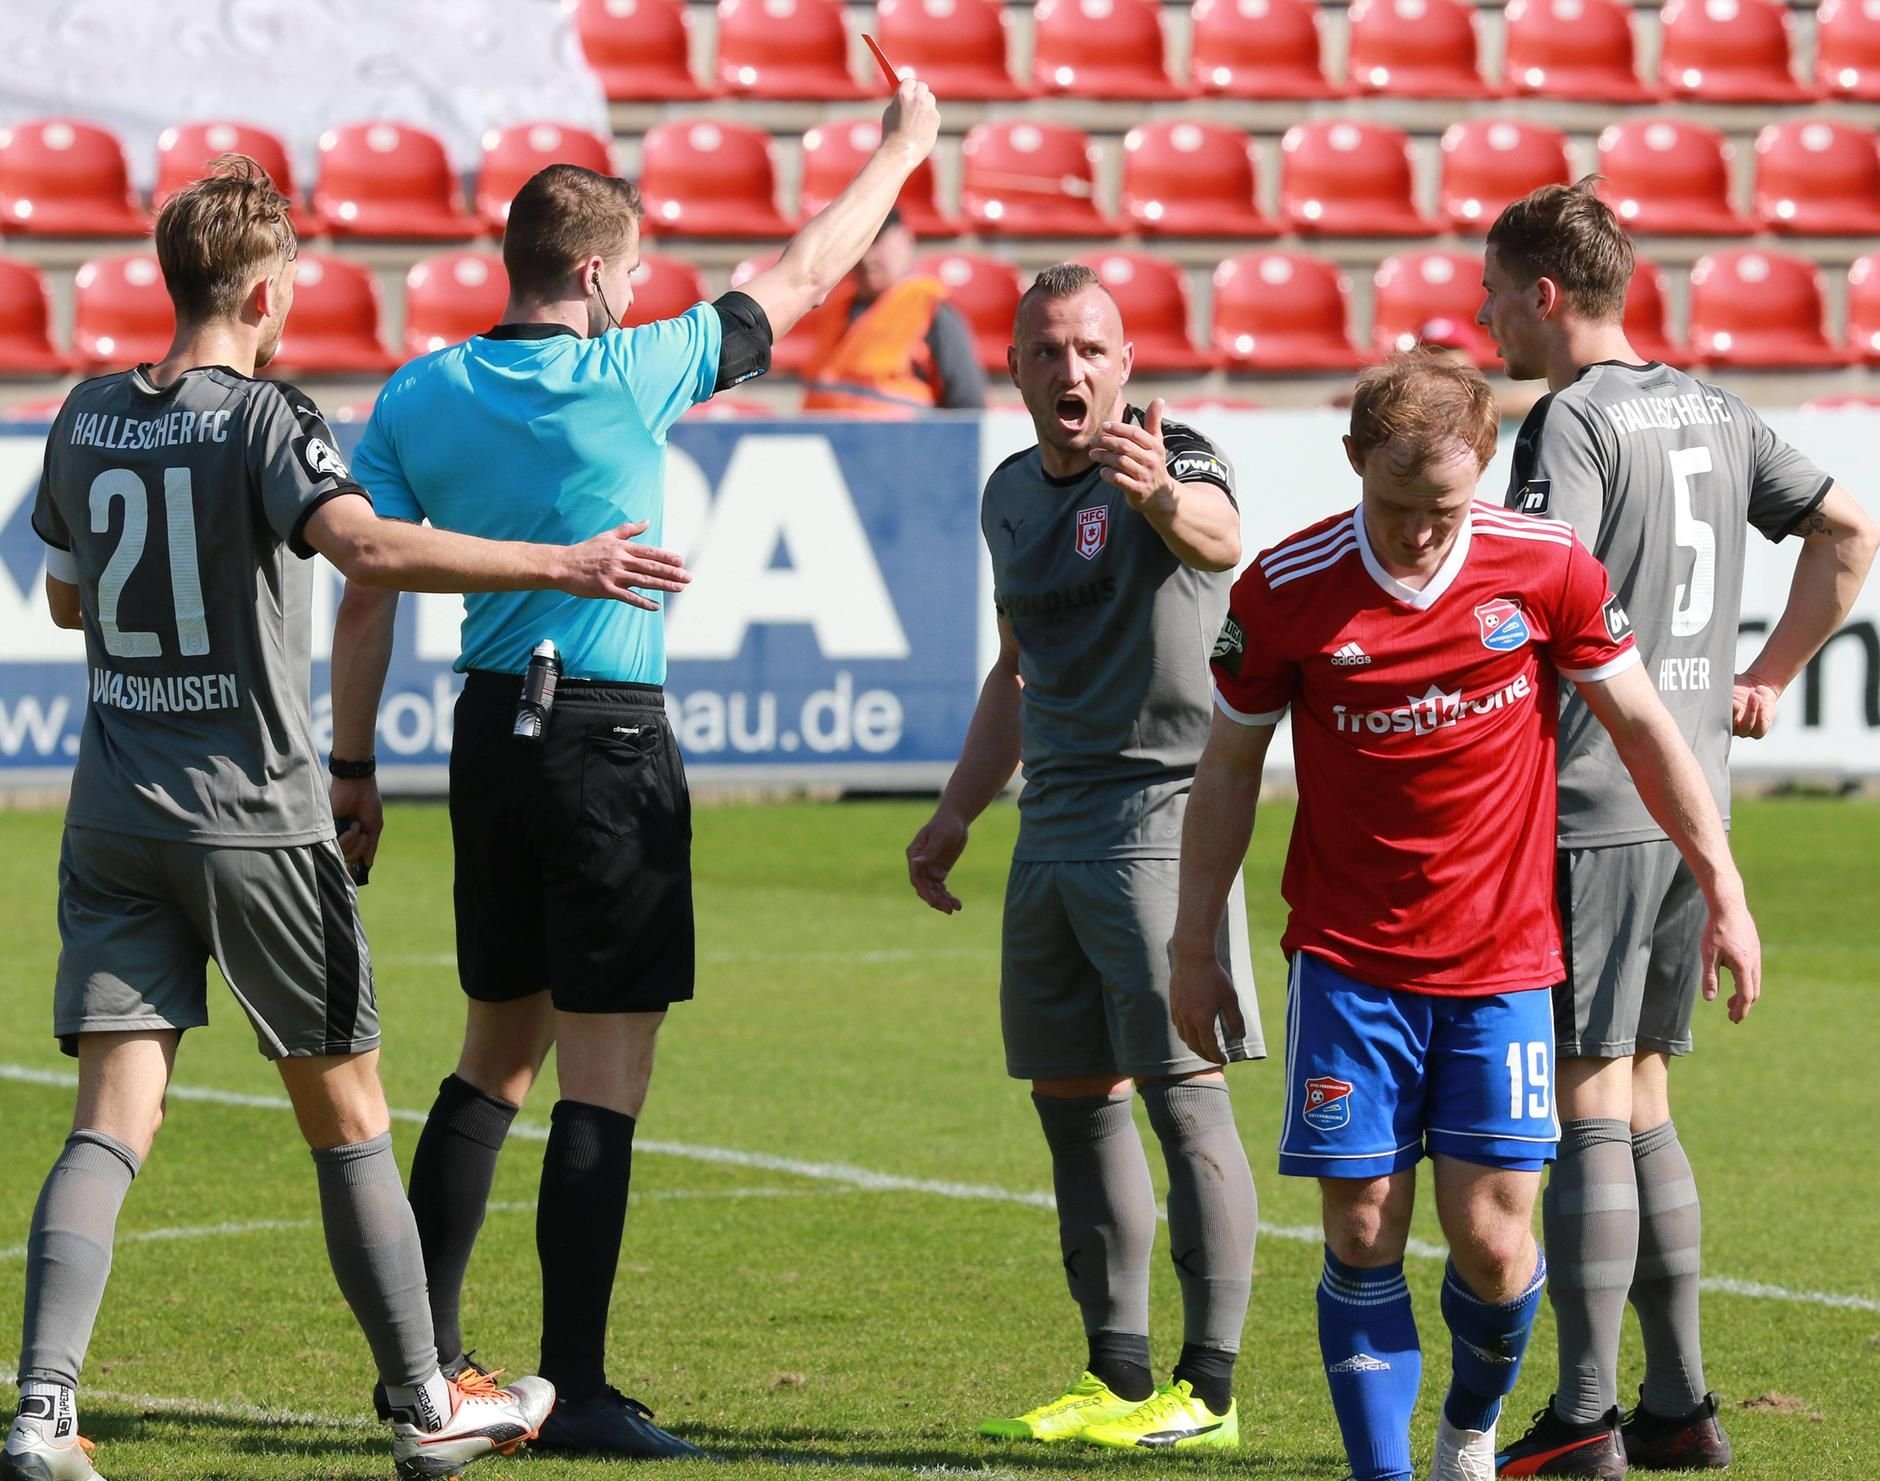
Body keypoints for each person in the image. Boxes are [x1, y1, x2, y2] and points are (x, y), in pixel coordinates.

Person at [2, 156, 690, 1481]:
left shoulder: (85, 414)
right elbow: (368, 549)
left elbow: (67, 601)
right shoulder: (270, 420)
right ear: (266, 290)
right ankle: (426, 1399)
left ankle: (41, 1410)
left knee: (110, 1117)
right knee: (350, 1112)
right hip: (253, 817)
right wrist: (568, 560)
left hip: (113, 815)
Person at [326, 83, 943, 1459]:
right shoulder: (633, 367)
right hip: (606, 732)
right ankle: (581, 1389)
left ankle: (419, 1369)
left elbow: (363, 591)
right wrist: (901, 148)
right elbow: (802, 270)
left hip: (481, 733)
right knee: (605, 1077)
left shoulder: (420, 390)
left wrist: (351, 761)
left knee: (495, 1056)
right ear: (597, 273)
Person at [1167, 353, 1765, 1481]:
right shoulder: (1285, 588)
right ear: (1354, 465)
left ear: (1482, 468)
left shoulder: (1548, 570)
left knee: (1494, 1246)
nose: (1419, 536)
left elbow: (1645, 731)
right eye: (1395, 507)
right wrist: (1196, 940)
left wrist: (1724, 889)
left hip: (1501, 967)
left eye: (1441, 508)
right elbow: (1229, 774)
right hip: (1349, 965)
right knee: (1360, 1231)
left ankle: (1467, 1432)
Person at [1475, 181, 1880, 1476]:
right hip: (1685, 796)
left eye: (1494, 292)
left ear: (1545, 293)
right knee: (1644, 1093)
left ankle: (1587, 1413)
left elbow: (1546, 600)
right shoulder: (1712, 406)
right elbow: (1850, 529)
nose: (1485, 316)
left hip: (1592, 800)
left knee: (1592, 1089)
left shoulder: (1573, 423)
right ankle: (1680, 1405)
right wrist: (1767, 675)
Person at [906, 262, 1262, 1451]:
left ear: (1127, 365)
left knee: (1186, 1098)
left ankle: (1206, 1389)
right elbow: (1015, 668)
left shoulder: (1172, 454)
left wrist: (1161, 493)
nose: (1074, 370)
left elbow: (1222, 538)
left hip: (1163, 817)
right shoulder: (1011, 493)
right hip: (1050, 825)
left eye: (1094, 350)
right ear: (1014, 368)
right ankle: (1114, 1376)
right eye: (1049, 351)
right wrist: (958, 809)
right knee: (1073, 1103)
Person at [800, 207, 986, 413]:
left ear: (905, 239)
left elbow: (968, 410)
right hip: (826, 442)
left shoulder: (932, 309)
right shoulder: (833, 307)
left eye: (877, 241)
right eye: (857, 244)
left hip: (905, 443)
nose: (866, 256)